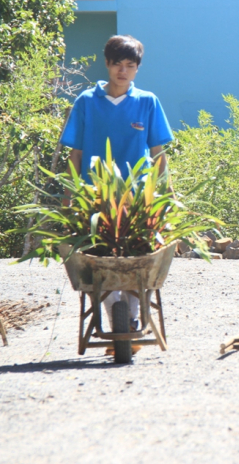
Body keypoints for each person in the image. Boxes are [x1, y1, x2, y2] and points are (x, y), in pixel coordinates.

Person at [59, 35, 174, 333]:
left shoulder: (148, 102)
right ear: (107, 64)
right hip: (94, 199)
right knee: (99, 261)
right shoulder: (86, 102)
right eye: (117, 64)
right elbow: (76, 154)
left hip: (138, 201)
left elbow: (158, 154)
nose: (123, 71)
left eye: (129, 65)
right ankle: (116, 316)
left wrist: (168, 196)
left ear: (137, 69)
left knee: (138, 259)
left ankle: (132, 318)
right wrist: (67, 198)